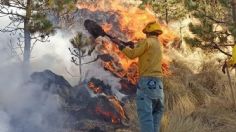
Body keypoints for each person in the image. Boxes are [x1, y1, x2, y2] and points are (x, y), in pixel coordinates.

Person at [112, 21, 164, 132]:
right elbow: (143, 52)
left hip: (147, 82)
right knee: (155, 118)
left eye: (146, 33)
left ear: (148, 32)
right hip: (158, 84)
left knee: (145, 117)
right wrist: (132, 45)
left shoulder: (147, 42)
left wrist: (120, 46)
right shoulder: (158, 45)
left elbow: (132, 54)